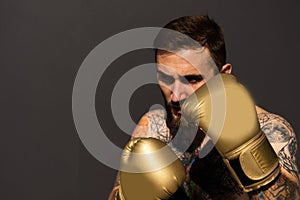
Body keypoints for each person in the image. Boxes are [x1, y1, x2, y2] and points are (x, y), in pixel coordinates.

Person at [109, 15, 300, 199]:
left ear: (223, 76)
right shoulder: (152, 127)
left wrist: (248, 147)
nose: (176, 96)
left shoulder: (270, 128)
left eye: (192, 79)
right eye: (166, 79)